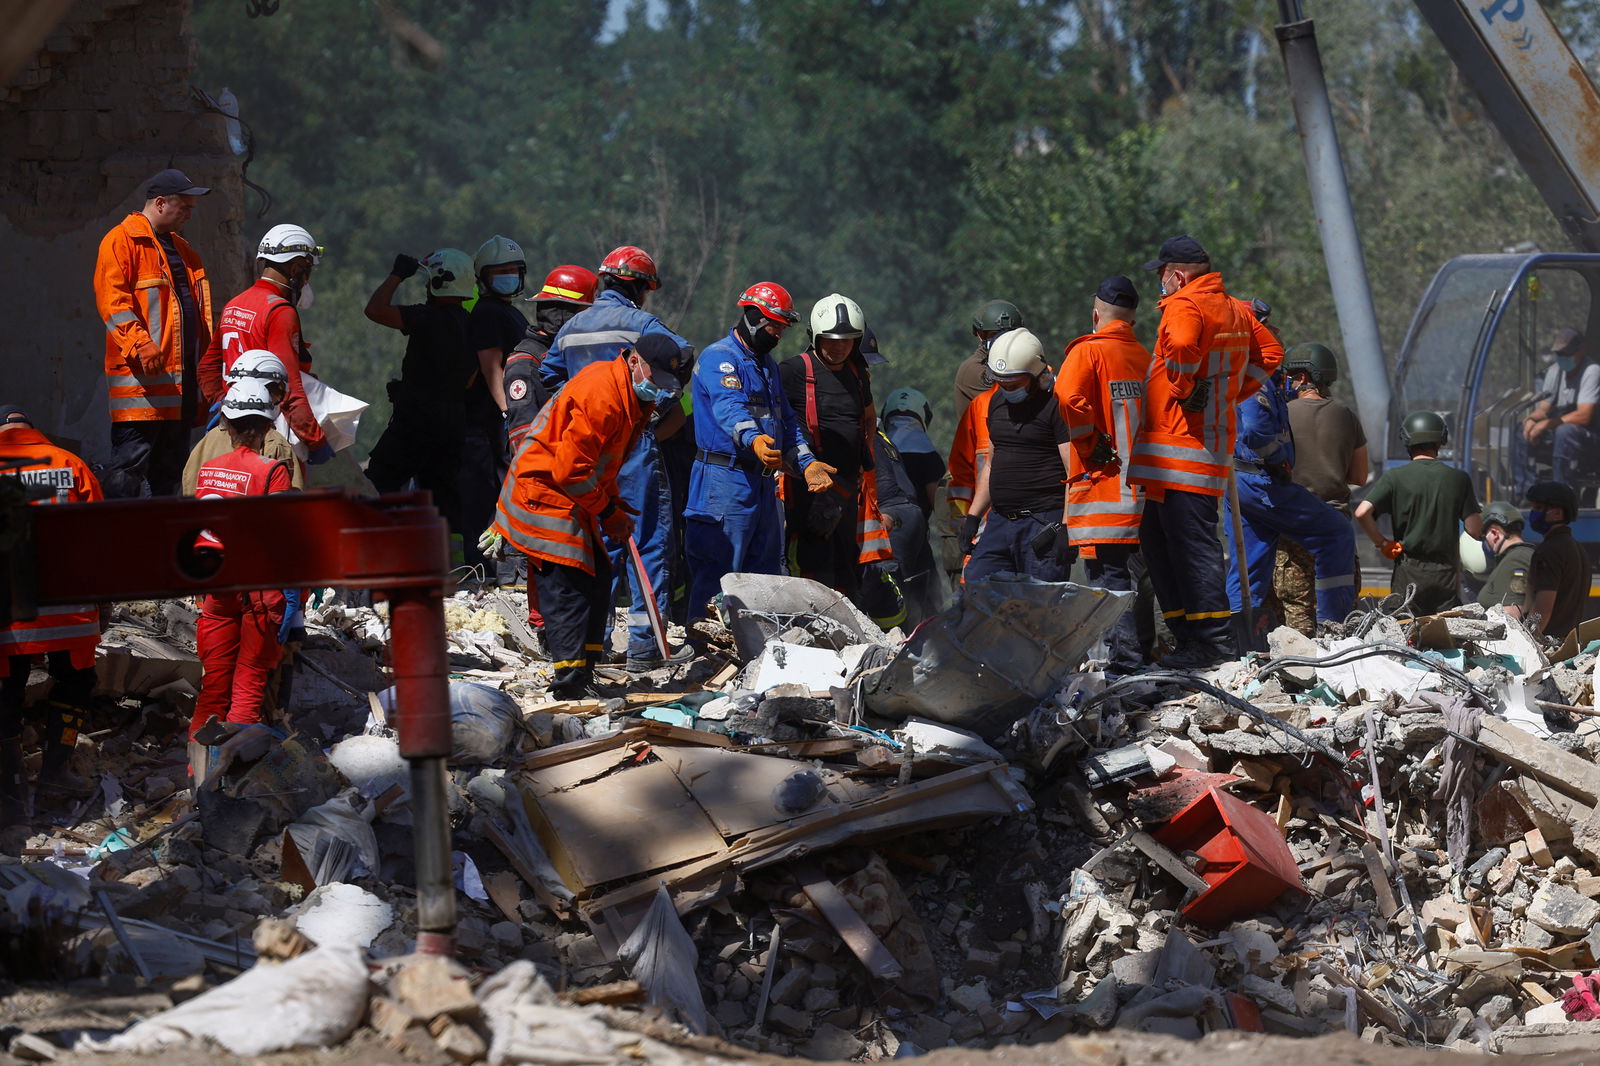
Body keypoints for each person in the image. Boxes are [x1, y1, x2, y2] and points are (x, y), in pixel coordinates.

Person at [494, 338, 684, 699]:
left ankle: (585, 671)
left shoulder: (632, 398)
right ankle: (568, 683)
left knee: (597, 580)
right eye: (654, 377)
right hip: (543, 491)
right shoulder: (603, 395)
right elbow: (570, 471)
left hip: (571, 494)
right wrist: (608, 511)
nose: (657, 387)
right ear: (633, 361)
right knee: (568, 584)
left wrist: (613, 503)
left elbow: (602, 465)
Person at [1128, 235, 1283, 669]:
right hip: (1193, 453)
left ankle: (1213, 645)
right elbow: (1270, 352)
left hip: (1179, 454)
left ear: (1178, 275)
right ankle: (1189, 639)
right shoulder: (1235, 308)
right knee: (1160, 545)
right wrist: (1232, 392)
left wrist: (1186, 385)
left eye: (1161, 272)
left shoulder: (1184, 305)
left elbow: (1179, 345)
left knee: (1192, 549)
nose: (1160, 280)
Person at [540, 246, 695, 670]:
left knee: (598, 542)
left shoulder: (571, 327)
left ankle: (597, 642)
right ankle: (646, 648)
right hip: (632, 441)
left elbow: (550, 377)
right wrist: (659, 405)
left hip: (587, 449)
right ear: (640, 288)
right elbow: (679, 355)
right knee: (647, 541)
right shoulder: (641, 323)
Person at [684, 283, 833, 618]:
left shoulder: (766, 366)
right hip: (723, 481)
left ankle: (755, 653)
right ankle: (707, 653)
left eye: (782, 328)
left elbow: (787, 420)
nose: (778, 335)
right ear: (751, 317)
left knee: (763, 577)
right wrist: (753, 439)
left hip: (762, 486)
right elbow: (729, 408)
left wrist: (806, 462)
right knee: (720, 574)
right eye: (773, 326)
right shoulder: (720, 359)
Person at [0, 406, 103, 822]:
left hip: (8, 613)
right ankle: (56, 773)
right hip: (69, 611)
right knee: (76, 681)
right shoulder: (71, 464)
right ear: (34, 430)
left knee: (6, 690)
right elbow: (101, 533)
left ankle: (8, 790)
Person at [93, 168, 213, 497]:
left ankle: (162, 543)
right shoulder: (121, 242)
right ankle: (120, 539)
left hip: (180, 388)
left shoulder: (185, 252)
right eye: (185, 207)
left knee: (171, 474)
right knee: (128, 470)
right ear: (160, 203)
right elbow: (113, 304)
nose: (190, 214)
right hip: (141, 390)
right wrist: (141, 345)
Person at [189, 379, 298, 742]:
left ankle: (198, 776)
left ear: (227, 424)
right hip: (258, 593)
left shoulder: (210, 470)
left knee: (213, 689)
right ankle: (232, 784)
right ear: (268, 426)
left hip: (217, 588)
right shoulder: (272, 471)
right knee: (249, 685)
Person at [1056, 276, 1151, 675]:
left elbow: (1066, 400)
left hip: (1104, 490)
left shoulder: (1088, 353)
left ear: (1096, 315)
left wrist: (1091, 443)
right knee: (1135, 579)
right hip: (1145, 492)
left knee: (1109, 580)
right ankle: (1137, 655)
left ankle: (1124, 665)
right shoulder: (1146, 357)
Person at [1223, 362, 1357, 645]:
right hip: (1263, 481)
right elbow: (1256, 430)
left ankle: (1241, 646)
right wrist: (1276, 460)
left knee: (1248, 568)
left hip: (1240, 480)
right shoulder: (1255, 375)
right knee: (1336, 533)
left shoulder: (1242, 372)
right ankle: (1334, 630)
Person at [362, 249, 477, 553]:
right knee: (444, 497)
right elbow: (468, 380)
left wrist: (398, 274)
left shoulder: (424, 317)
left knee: (378, 485)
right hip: (452, 423)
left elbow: (374, 310)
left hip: (414, 423)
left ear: (437, 282)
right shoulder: (471, 325)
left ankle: (370, 559)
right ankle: (454, 570)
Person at [781, 294, 893, 604]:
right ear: (814, 336)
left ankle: (851, 641)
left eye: (846, 340)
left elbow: (868, 417)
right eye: (830, 339)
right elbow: (778, 425)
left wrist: (864, 455)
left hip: (848, 490)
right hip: (806, 489)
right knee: (812, 569)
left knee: (848, 570)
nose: (838, 346)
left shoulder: (857, 373)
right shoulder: (792, 371)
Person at [199, 224, 332, 465]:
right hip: (266, 434)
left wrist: (224, 405)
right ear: (295, 269)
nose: (307, 281)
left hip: (230, 429)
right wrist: (316, 440)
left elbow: (207, 367)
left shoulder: (235, 303)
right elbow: (290, 389)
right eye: (307, 271)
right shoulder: (280, 312)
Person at [962, 329, 1074, 583]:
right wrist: (973, 516)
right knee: (977, 586)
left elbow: (1073, 472)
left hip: (1042, 523)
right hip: (1000, 523)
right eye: (1002, 382)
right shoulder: (997, 402)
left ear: (1036, 375)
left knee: (1040, 605)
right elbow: (991, 465)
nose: (1007, 388)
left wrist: (1067, 527)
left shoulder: (1057, 406)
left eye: (1014, 383)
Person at [1273, 342, 1367, 634]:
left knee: (1297, 616)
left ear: (1303, 377)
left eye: (1290, 375)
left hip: (1293, 529)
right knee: (1337, 623)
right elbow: (1360, 476)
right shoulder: (1346, 416)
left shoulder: (1280, 415)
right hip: (1336, 524)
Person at [1354, 411, 1483, 615]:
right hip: (1445, 575)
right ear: (1441, 441)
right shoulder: (1458, 479)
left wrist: (1383, 544)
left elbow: (1362, 512)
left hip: (1407, 572)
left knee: (1406, 633)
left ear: (1407, 442)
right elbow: (1474, 529)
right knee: (1445, 635)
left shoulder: (1395, 477)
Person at [457, 235, 530, 580]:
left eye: (514, 270)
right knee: (495, 498)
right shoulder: (487, 313)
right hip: (491, 425)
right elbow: (491, 366)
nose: (508, 276)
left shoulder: (506, 311)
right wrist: (509, 412)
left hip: (501, 422)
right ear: (483, 278)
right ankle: (493, 573)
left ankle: (502, 572)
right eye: (500, 271)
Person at [505, 265, 600, 453]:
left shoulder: (572, 354)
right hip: (544, 475)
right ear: (565, 314)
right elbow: (523, 437)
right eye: (586, 313)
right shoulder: (525, 362)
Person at [182, 349, 305, 493]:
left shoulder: (206, 442)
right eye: (277, 393)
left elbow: (190, 491)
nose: (277, 401)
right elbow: (290, 503)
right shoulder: (275, 443)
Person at [874, 389, 944, 626]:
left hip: (884, 533)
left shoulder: (882, 445)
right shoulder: (929, 455)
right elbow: (939, 503)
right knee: (929, 602)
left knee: (892, 598)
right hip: (918, 536)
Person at [1522, 329, 1599, 487]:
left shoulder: (1592, 371)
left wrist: (1549, 423)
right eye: (1560, 354)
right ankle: (1524, 489)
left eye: (1567, 353)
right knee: (1520, 430)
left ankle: (1561, 492)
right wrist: (1532, 420)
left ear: (1581, 350)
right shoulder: (1554, 371)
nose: (1563, 358)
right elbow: (1543, 409)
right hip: (1559, 427)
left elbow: (1585, 415)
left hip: (1588, 436)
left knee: (1565, 431)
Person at [1520, 481, 1591, 638]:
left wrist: (1526, 640)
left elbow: (1542, 610)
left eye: (1538, 508)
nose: (1533, 513)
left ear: (1557, 513)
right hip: (1569, 644)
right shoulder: (1577, 549)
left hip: (1548, 645)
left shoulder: (1549, 551)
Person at [955, 299, 1025, 411]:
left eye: (1010, 333)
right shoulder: (974, 369)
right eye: (996, 334)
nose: (1005, 339)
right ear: (981, 335)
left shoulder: (1020, 361)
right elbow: (1011, 406)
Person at [1475, 502, 1536, 610]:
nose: (1485, 543)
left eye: (1484, 537)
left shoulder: (1516, 560)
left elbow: (1512, 614)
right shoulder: (1519, 555)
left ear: (1495, 534)